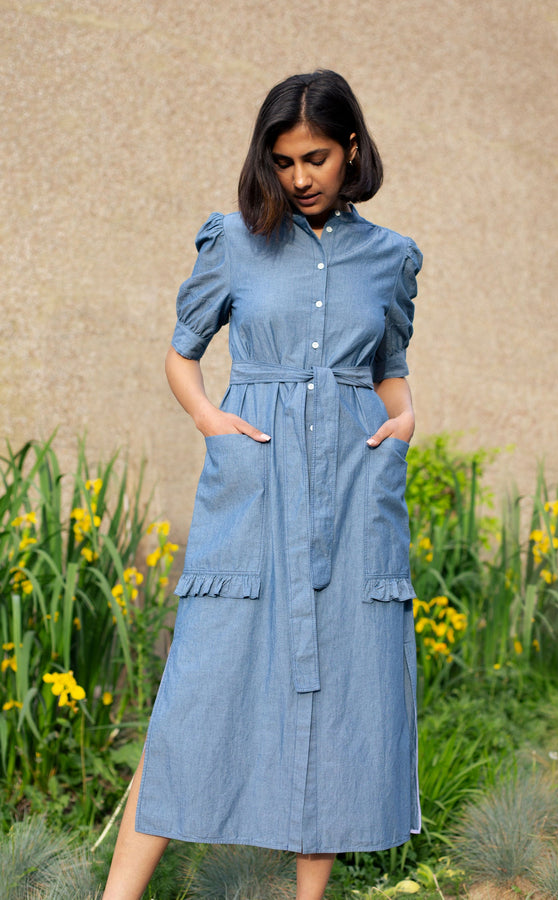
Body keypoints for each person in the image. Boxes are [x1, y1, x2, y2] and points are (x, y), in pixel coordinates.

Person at [103, 69, 422, 900]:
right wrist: (211, 420)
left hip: (355, 496)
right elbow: (182, 353)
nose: (300, 177)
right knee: (194, 701)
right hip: (253, 493)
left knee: (341, 700)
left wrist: (404, 420)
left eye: (315, 157)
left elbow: (390, 368)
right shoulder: (237, 242)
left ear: (351, 149)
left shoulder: (388, 258)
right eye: (283, 161)